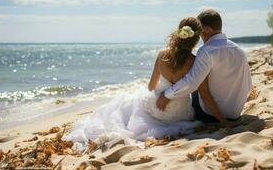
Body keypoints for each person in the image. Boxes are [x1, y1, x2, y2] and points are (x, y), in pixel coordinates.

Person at [63, 17, 222, 151]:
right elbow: (205, 95)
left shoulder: (162, 55)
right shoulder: (195, 62)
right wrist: (224, 121)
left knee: (132, 101)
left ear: (179, 33)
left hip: (157, 108)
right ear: (196, 38)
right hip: (180, 114)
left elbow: (151, 86)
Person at [156, 10, 252, 127]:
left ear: (207, 29)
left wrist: (166, 95)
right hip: (236, 113)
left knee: (195, 84)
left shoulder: (206, 51)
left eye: (200, 32)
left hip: (209, 116)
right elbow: (248, 85)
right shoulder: (239, 50)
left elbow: (191, 83)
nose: (199, 36)